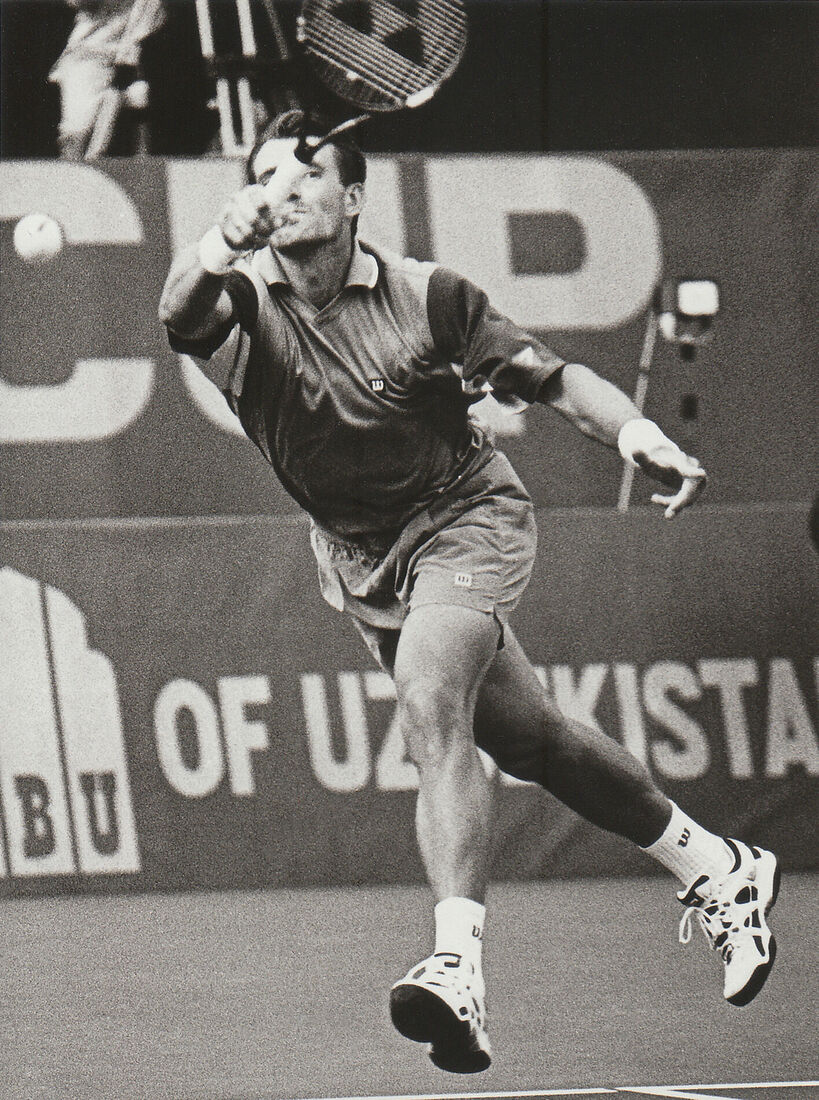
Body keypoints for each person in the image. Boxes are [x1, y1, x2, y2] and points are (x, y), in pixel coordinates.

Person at [158, 110, 780, 1075]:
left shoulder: (429, 297)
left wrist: (638, 436)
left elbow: (553, 380)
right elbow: (178, 317)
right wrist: (214, 245)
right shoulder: (239, 302)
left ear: (352, 199)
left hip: (464, 517)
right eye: (267, 176)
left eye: (306, 174)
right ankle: (718, 865)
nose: (284, 191)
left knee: (429, 693)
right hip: (360, 558)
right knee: (535, 743)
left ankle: (456, 966)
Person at [49, 0, 166, 160]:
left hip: (129, 57)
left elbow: (153, 23)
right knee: (76, 133)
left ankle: (141, 165)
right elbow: (76, 3)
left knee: (140, 93)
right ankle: (73, 170)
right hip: (89, 56)